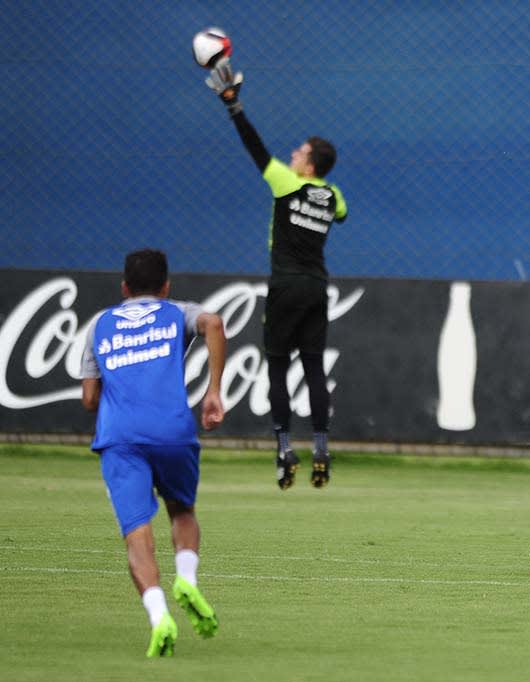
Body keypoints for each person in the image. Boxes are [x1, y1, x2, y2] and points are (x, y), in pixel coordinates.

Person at [204, 56, 348, 490]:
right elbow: (340, 213)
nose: (292, 154)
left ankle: (285, 448)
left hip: (285, 286)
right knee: (314, 370)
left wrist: (234, 106)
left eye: (299, 152)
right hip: (318, 287)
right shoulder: (331, 194)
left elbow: (255, 147)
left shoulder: (287, 183)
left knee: (277, 370)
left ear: (307, 164)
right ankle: (321, 447)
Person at [80, 248, 226, 656]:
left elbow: (90, 398)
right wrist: (213, 391)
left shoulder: (99, 325)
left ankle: (159, 614)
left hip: (120, 438)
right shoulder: (175, 312)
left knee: (137, 535)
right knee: (182, 510)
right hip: (172, 430)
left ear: (124, 287)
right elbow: (213, 323)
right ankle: (187, 579)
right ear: (166, 286)